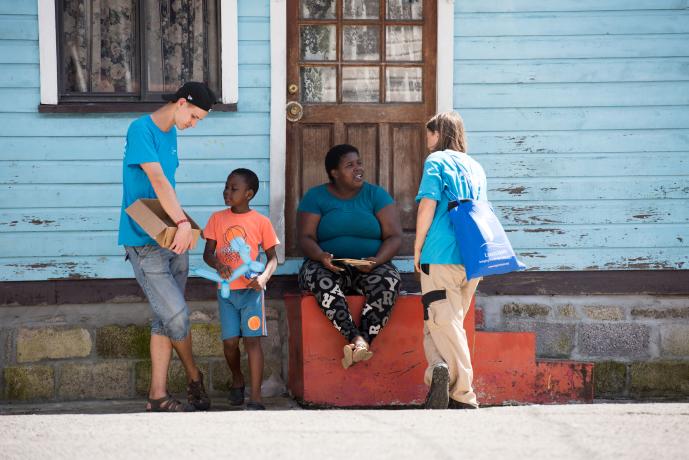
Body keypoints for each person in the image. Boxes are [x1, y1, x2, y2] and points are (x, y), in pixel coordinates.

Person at [119, 81, 216, 412]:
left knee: (164, 319)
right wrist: (185, 224)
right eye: (194, 116)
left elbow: (169, 189)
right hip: (144, 242)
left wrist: (181, 228)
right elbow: (158, 181)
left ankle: (157, 396)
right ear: (180, 103)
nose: (194, 123)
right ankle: (194, 375)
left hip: (173, 238)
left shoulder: (172, 133)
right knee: (176, 316)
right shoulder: (140, 130)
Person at [297, 144, 402, 369]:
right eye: (349, 165)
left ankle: (362, 340)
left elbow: (394, 237)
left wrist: (378, 260)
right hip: (328, 266)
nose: (358, 169)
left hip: (370, 266)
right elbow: (305, 237)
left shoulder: (376, 195)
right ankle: (355, 338)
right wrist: (320, 255)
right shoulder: (316, 197)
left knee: (388, 282)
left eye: (359, 163)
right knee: (318, 279)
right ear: (334, 173)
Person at [414, 112, 488, 410]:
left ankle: (463, 394)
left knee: (444, 323)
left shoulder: (436, 161)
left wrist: (418, 247)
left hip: (441, 254)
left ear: (438, 134)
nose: (427, 141)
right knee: (441, 322)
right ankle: (438, 373)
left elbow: (428, 205)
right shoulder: (476, 166)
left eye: (429, 134)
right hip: (473, 256)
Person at [203, 168, 279, 410]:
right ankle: (237, 378)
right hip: (227, 294)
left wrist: (264, 277)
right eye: (226, 187)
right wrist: (218, 264)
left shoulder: (261, 222)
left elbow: (273, 258)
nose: (227, 192)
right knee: (230, 343)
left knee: (252, 342)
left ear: (249, 194)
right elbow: (208, 253)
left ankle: (255, 397)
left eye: (233, 189)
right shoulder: (217, 219)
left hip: (252, 294)